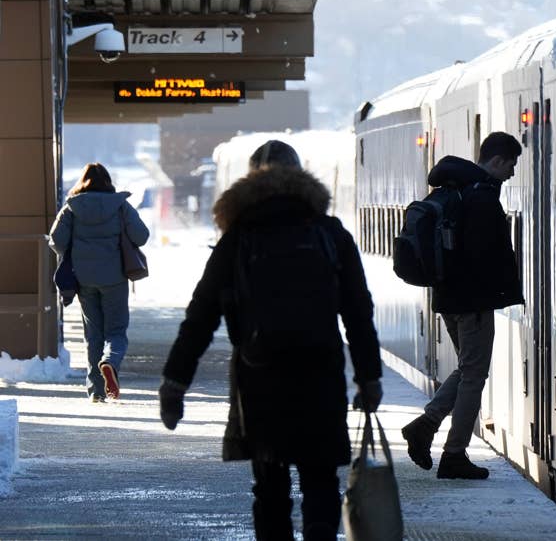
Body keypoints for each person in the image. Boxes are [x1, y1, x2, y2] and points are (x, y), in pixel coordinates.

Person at [157, 140, 383, 540]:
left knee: (270, 485)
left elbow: (201, 314)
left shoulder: (239, 237)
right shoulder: (329, 233)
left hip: (260, 376)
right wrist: (369, 376)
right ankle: (318, 532)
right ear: (300, 177)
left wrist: (176, 382)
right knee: (320, 477)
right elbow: (357, 311)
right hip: (320, 369)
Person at [401, 131, 524, 480]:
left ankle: (426, 426)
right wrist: (499, 289)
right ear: (497, 161)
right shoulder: (482, 198)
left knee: (467, 368)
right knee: (475, 374)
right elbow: (482, 256)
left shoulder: (451, 191)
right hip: (473, 302)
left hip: (450, 299)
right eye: (511, 165)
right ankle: (452, 452)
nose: (512, 173)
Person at [49, 163, 149, 402]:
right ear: (107, 181)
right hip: (114, 277)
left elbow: (55, 240)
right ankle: (110, 362)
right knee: (116, 331)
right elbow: (142, 236)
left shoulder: (71, 208)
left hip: (84, 279)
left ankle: (96, 391)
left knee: (93, 334)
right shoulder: (120, 206)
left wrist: (77, 251)